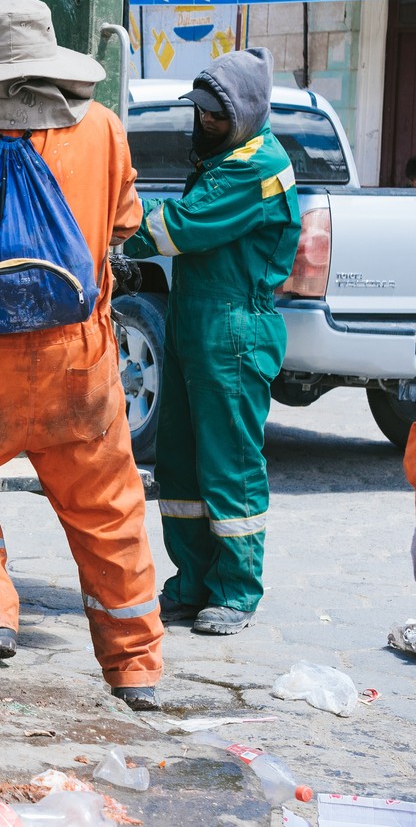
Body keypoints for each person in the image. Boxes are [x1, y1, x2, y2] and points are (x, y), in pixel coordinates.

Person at [0, 0, 164, 710]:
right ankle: (135, 667)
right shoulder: (104, 131)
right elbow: (124, 227)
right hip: (79, 364)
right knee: (109, 511)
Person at [122, 48, 300, 636]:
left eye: (215, 114)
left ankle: (236, 591)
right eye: (199, 111)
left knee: (229, 466)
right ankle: (192, 583)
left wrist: (114, 217)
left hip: (234, 333)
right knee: (180, 463)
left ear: (246, 111)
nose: (204, 122)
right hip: (195, 326)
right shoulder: (226, 156)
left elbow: (182, 226)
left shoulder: (256, 165)